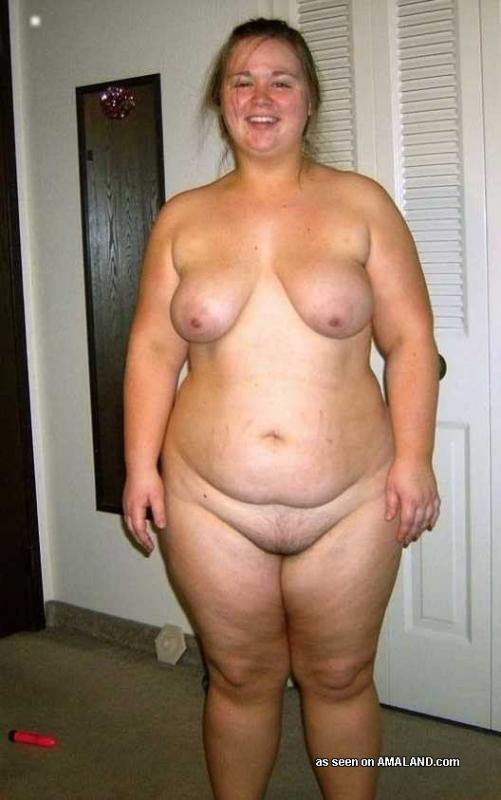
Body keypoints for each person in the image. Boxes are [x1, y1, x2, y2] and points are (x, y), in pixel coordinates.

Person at [122, 17, 441, 800]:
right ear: (220, 101)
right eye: (241, 81)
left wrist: (414, 459)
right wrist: (137, 467)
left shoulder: (361, 205)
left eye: (280, 80)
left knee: (340, 675)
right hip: (208, 501)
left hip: (351, 500)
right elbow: (153, 350)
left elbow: (409, 341)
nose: (259, 97)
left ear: (308, 100)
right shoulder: (181, 219)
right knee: (237, 674)